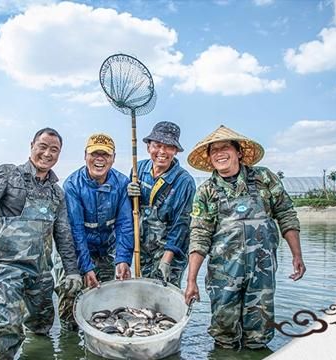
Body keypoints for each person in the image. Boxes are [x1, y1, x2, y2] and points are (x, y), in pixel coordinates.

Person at [0, 128, 82, 360]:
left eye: (54, 150)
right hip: (5, 267)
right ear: (32, 145)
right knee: (9, 323)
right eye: (43, 146)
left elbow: (63, 235)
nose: (47, 153)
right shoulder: (9, 174)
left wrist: (71, 271)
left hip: (41, 271)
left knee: (42, 326)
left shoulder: (57, 193)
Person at [184, 125, 306, 350]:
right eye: (214, 150)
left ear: (239, 152)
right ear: (210, 158)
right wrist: (191, 281)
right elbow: (199, 236)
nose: (219, 153)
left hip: (262, 272)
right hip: (224, 276)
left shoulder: (263, 178)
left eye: (225, 147)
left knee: (258, 337)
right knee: (224, 334)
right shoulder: (206, 191)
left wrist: (297, 254)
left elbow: (286, 214)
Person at [56, 133, 134, 329]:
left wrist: (123, 259)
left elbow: (125, 225)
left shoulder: (122, 183)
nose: (100, 159)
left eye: (105, 155)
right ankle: (69, 337)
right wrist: (86, 267)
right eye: (94, 153)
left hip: (106, 248)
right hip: (76, 250)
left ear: (113, 158)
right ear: (85, 156)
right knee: (70, 298)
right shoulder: (72, 185)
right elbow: (75, 231)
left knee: (108, 304)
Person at [127, 121, 196, 287]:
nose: (162, 152)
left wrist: (166, 260)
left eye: (169, 147)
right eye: (157, 145)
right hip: (141, 250)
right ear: (148, 147)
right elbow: (129, 212)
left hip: (169, 251)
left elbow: (181, 225)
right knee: (141, 295)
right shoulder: (138, 169)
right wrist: (128, 193)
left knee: (162, 299)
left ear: (176, 151)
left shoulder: (184, 182)